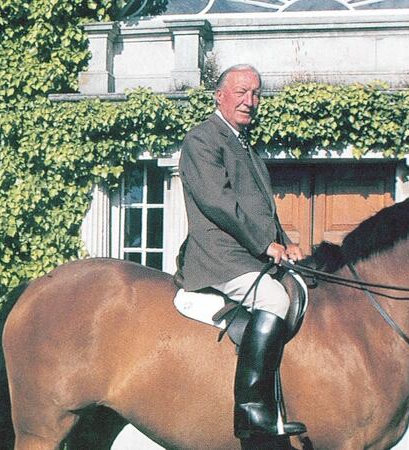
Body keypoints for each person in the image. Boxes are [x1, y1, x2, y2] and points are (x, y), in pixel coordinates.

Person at [178, 64, 307, 439]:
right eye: (241, 92)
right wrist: (264, 245)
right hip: (220, 256)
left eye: (255, 94)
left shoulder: (244, 145)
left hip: (250, 253)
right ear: (220, 96)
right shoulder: (203, 139)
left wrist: (285, 242)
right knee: (274, 301)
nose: (249, 101)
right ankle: (251, 410)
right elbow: (219, 203)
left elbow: (261, 208)